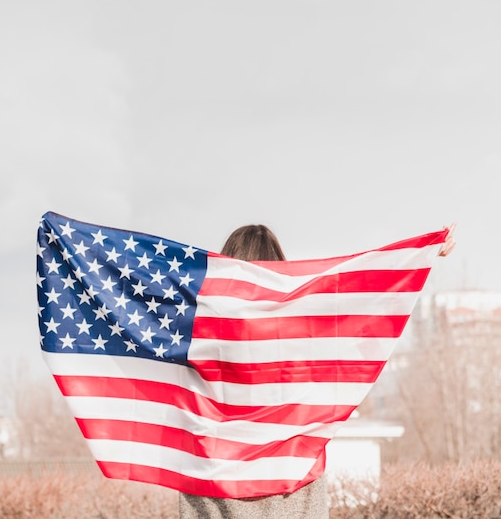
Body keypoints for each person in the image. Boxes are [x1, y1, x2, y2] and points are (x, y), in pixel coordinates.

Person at [178, 222, 456, 519]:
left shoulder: (201, 327)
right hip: (292, 476)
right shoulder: (305, 328)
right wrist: (424, 254)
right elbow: (364, 296)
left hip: (214, 473)